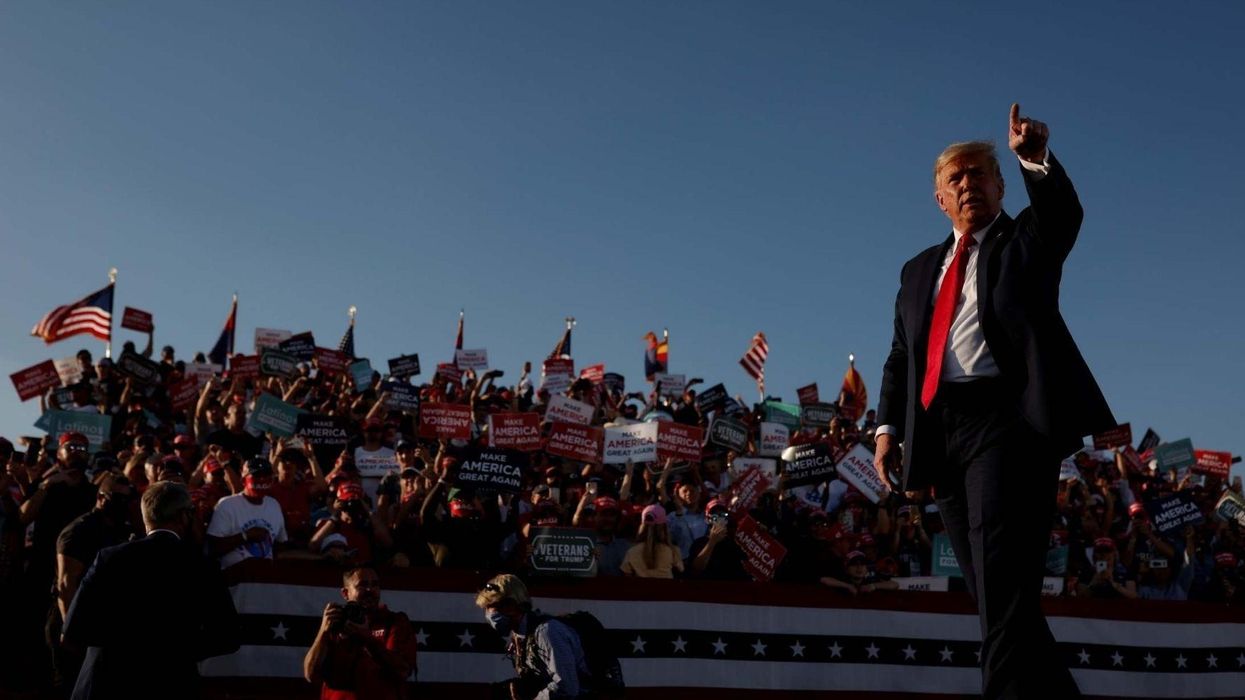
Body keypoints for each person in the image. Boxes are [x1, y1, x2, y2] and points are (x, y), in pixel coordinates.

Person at [874, 104, 1115, 698]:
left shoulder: (1026, 239)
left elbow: (1063, 214)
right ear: (940, 199)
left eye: (979, 174)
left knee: (1004, 592)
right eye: (955, 178)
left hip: (1008, 425)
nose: (968, 184)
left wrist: (1036, 158)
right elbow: (901, 358)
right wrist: (885, 430)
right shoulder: (916, 270)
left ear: (1000, 185)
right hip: (940, 432)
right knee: (997, 597)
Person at [61, 481, 239, 699]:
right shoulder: (201, 566)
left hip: (105, 684)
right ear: (184, 516)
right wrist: (174, 652)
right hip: (170, 684)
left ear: (146, 517)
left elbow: (71, 634)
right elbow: (228, 637)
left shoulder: (109, 558)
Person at [303, 567, 418, 700]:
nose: (370, 590)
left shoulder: (395, 622)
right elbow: (310, 675)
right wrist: (323, 631)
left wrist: (366, 638)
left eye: (375, 585)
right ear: (345, 593)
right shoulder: (336, 624)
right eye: (362, 585)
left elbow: (402, 670)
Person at [475, 574, 592, 700]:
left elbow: (567, 688)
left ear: (510, 605)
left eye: (490, 607)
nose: (488, 614)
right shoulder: (520, 635)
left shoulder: (547, 632)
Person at [206, 457, 288, 568]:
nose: (262, 479)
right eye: (257, 476)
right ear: (243, 480)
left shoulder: (273, 505)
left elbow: (280, 543)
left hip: (263, 579)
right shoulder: (227, 505)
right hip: (235, 579)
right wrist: (245, 536)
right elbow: (211, 549)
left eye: (266, 475)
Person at [621, 504, 683, 578]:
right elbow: (680, 570)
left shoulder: (632, 551)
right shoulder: (673, 551)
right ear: (664, 527)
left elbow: (626, 573)